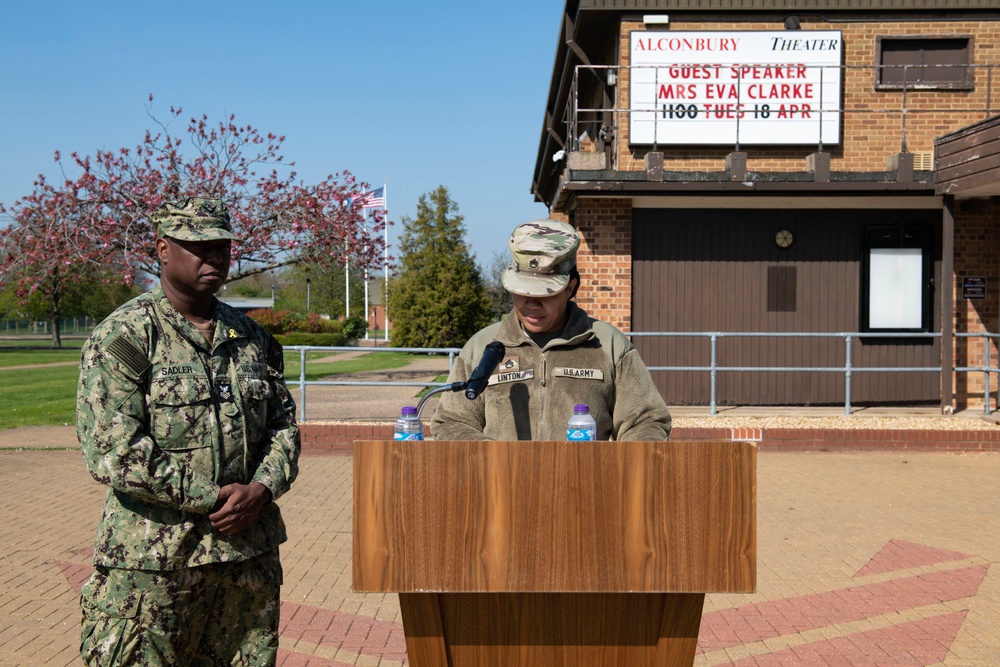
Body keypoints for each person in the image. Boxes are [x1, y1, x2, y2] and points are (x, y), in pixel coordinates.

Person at [76, 197, 300, 666]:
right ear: (162, 249)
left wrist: (261, 489)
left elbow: (283, 428)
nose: (215, 257)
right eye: (199, 247)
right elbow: (114, 451)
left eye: (222, 246)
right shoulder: (127, 337)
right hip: (154, 565)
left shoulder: (251, 339)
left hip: (245, 559)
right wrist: (211, 497)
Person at [431, 218, 671, 441]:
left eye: (544, 293)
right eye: (523, 292)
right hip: (501, 484)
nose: (531, 303)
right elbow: (452, 422)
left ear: (571, 287)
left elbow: (646, 421)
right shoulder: (481, 346)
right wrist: (496, 463)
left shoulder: (609, 345)